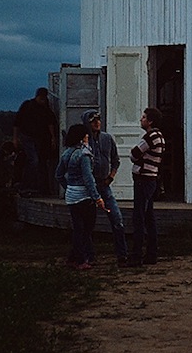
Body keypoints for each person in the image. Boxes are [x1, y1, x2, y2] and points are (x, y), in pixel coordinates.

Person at [54, 123, 106, 270]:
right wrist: (97, 197)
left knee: (79, 228)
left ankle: (74, 258)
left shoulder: (66, 153)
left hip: (71, 195)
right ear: (83, 137)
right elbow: (88, 179)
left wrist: (69, 187)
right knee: (86, 229)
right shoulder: (84, 155)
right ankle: (81, 259)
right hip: (84, 196)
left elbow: (58, 175)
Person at [83, 109, 129, 265]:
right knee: (88, 223)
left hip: (104, 185)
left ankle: (122, 255)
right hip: (89, 187)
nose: (97, 123)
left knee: (117, 219)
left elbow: (116, 160)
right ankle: (89, 256)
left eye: (98, 119)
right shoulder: (83, 142)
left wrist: (111, 176)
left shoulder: (107, 139)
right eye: (93, 121)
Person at [126, 106, 166, 266]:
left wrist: (137, 158)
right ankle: (151, 254)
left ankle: (136, 255)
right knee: (149, 217)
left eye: (143, 117)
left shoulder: (150, 136)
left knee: (139, 218)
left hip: (144, 179)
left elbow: (134, 154)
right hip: (151, 179)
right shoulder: (160, 136)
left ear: (150, 121)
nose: (141, 120)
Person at [14, 87, 57, 196]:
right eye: (41, 98)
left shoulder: (45, 109)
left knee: (41, 162)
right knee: (34, 160)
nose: (43, 101)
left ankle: (39, 187)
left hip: (41, 139)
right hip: (27, 136)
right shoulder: (28, 106)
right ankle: (26, 185)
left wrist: (52, 138)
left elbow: (50, 123)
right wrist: (15, 138)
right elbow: (17, 122)